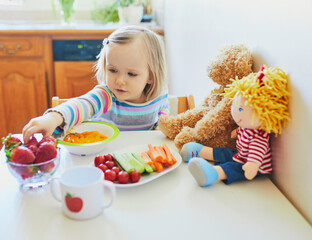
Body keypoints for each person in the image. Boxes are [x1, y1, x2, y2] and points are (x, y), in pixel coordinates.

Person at [23, 26, 168, 143]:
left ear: (151, 76)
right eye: (112, 70)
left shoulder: (159, 96)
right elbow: (82, 104)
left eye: (131, 74)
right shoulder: (106, 95)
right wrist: (52, 118)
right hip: (104, 159)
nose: (119, 81)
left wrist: (160, 126)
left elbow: (163, 110)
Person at [180, 65, 291, 187]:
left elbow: (257, 151)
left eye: (240, 109)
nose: (235, 113)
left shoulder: (259, 136)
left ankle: (212, 173)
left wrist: (252, 165)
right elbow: (243, 130)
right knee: (225, 152)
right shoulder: (247, 126)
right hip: (240, 154)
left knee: (233, 168)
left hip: (253, 166)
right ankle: (199, 151)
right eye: (235, 106)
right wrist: (237, 131)